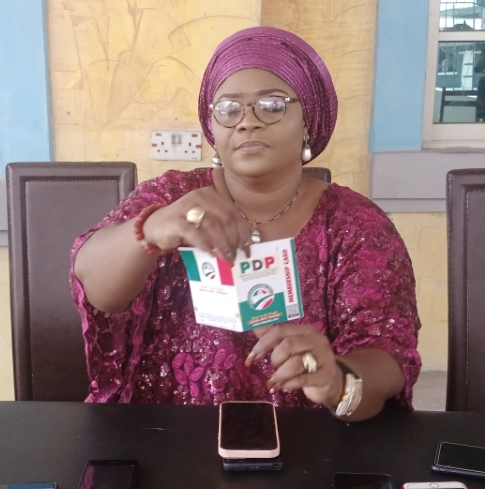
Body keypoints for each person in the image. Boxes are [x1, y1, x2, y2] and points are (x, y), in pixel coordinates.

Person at [71, 26, 421, 421]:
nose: (247, 122)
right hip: (166, 436)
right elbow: (96, 287)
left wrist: (338, 380)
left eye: (271, 105)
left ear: (308, 120)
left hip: (309, 441)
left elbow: (387, 352)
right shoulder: (171, 197)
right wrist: (152, 229)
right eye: (228, 108)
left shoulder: (355, 224)